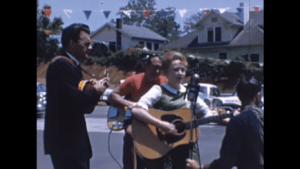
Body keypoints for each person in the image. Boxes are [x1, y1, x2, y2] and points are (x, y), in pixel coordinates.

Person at [131, 51, 213, 169]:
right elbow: (136, 110)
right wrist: (161, 124)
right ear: (166, 72)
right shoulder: (158, 90)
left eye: (183, 70)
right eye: (175, 69)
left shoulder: (190, 93)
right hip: (165, 148)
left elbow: (207, 112)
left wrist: (201, 121)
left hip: (187, 148)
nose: (180, 73)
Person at [43, 23, 110, 169]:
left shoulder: (72, 66)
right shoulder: (61, 65)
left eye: (91, 43)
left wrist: (93, 89)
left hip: (73, 143)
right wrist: (96, 90)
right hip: (66, 143)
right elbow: (75, 101)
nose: (90, 48)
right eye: (86, 43)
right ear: (72, 43)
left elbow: (84, 106)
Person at [186, 76, 264, 169]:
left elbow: (226, 162)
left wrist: (200, 167)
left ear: (238, 96)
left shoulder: (238, 122)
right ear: (258, 96)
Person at [108, 52, 168, 169]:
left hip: (157, 124)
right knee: (130, 134)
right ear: (146, 65)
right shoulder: (134, 80)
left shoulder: (164, 81)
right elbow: (113, 95)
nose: (157, 71)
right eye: (154, 67)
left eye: (160, 68)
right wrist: (131, 104)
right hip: (136, 122)